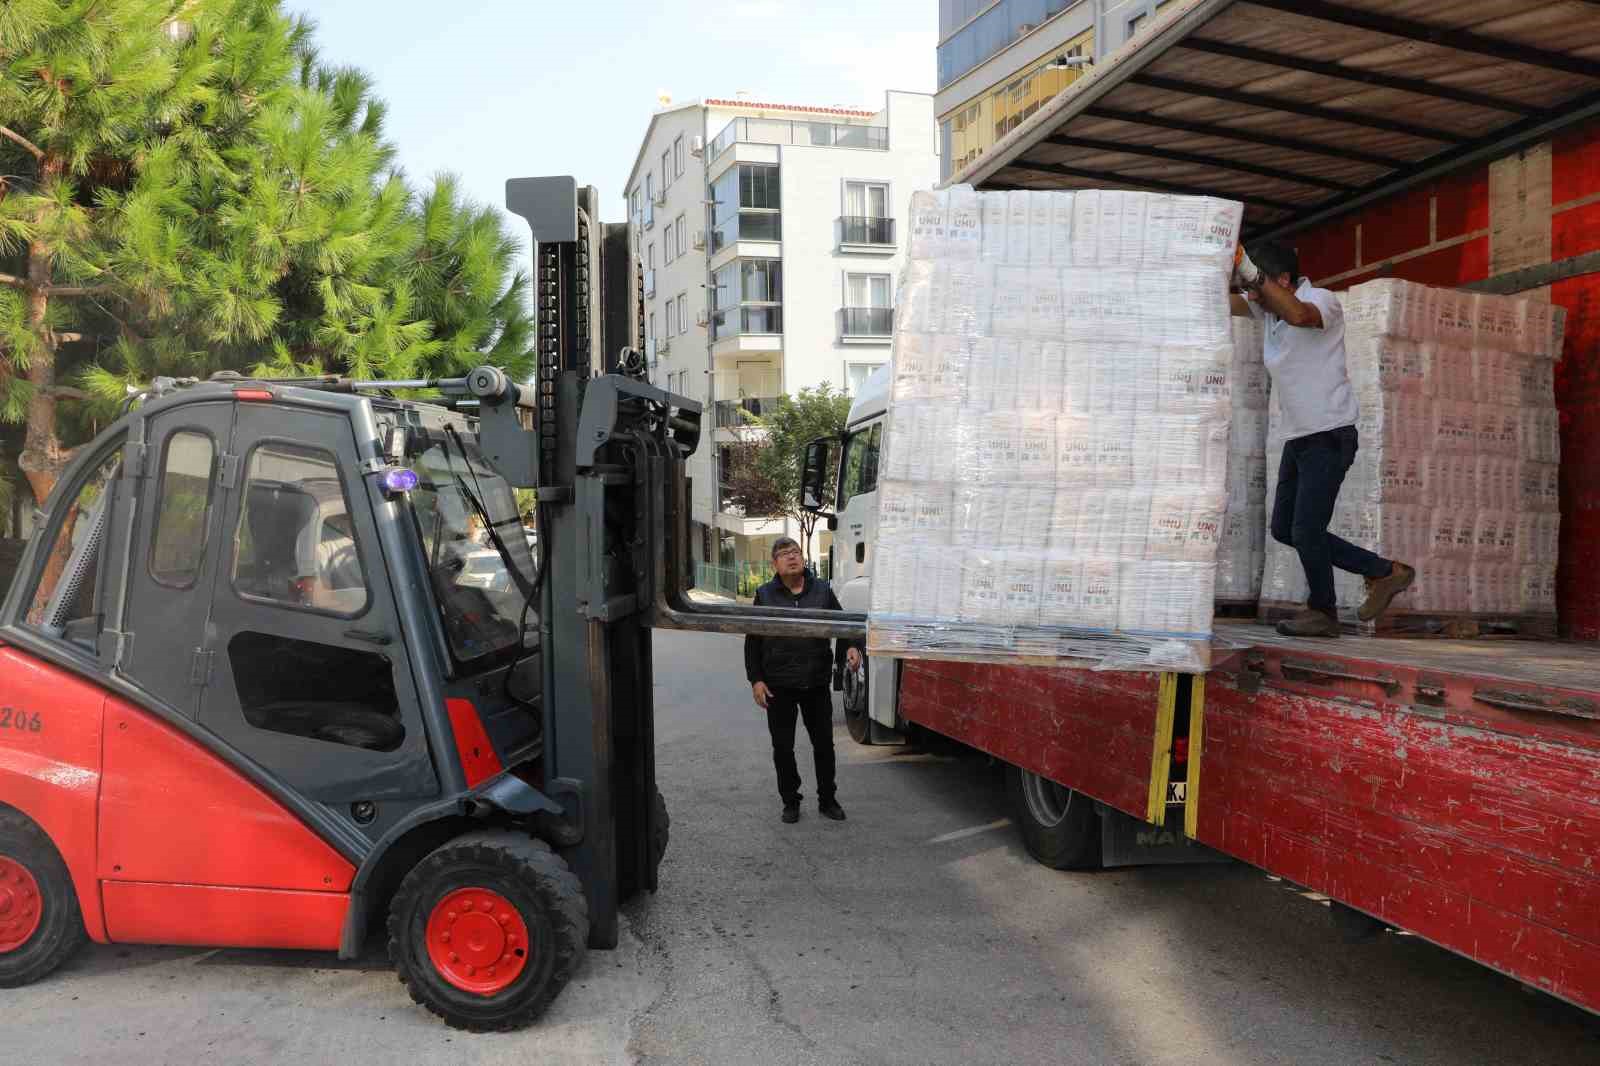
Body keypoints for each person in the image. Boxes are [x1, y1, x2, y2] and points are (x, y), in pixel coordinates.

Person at [1231, 240, 1415, 638]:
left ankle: (1323, 612)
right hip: (1299, 437)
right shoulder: (1268, 314)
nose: (1251, 297)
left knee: (1306, 530)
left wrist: (1255, 275)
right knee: (1285, 527)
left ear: (1282, 280)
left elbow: (1299, 314)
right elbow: (1228, 305)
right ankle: (1384, 572)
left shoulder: (1321, 300)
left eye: (1256, 287)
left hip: (1329, 434)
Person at [744, 537, 861, 823]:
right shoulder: (765, 595)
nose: (791, 558)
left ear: (803, 558)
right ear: (775, 564)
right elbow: (753, 641)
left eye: (795, 552)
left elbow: (842, 624)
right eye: (784, 554)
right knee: (783, 748)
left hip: (815, 682)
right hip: (778, 685)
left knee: (823, 745)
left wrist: (852, 648)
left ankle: (827, 799)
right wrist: (756, 680)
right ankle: (791, 801)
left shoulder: (822, 590)